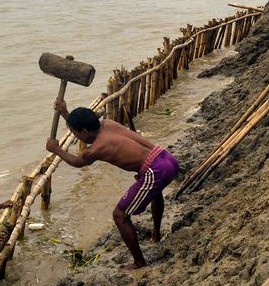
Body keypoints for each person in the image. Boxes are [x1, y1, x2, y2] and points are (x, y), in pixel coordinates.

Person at [45, 100, 179, 270]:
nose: (75, 137)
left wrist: (56, 149)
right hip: (166, 157)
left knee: (120, 215)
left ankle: (139, 262)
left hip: (156, 170)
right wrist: (65, 113)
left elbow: (77, 162)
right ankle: (156, 234)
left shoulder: (94, 150)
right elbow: (84, 128)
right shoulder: (108, 124)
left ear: (84, 131)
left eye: (75, 133)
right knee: (154, 190)